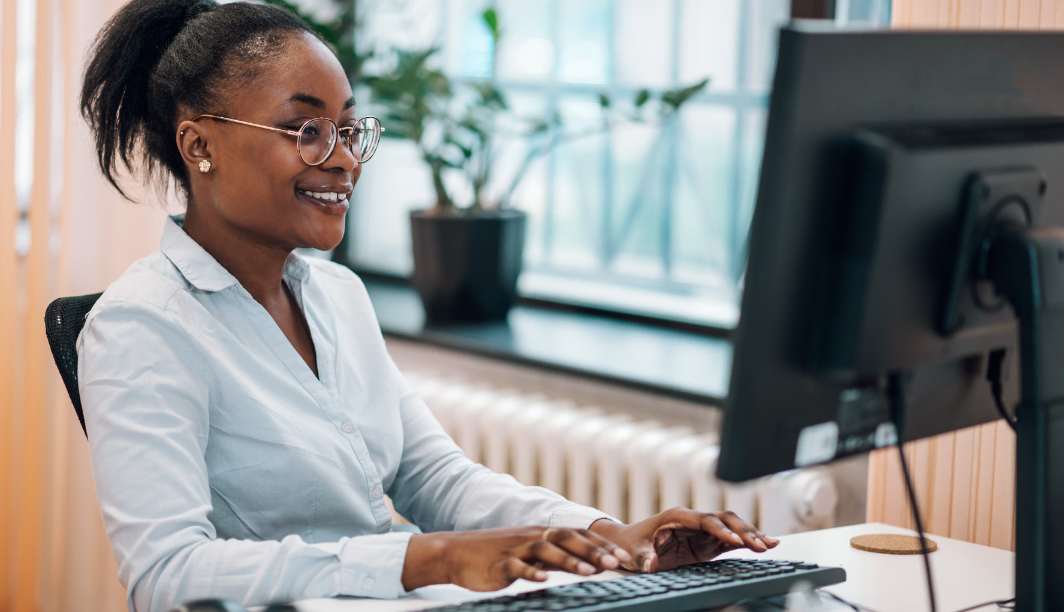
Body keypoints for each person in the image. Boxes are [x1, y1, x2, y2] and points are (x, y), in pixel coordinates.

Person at [76, 1, 778, 611]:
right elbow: (165, 575)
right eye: (306, 131)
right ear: (199, 145)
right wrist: (429, 560)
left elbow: (434, 477)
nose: (346, 159)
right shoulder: (142, 327)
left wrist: (606, 534)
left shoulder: (337, 297)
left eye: (349, 130)